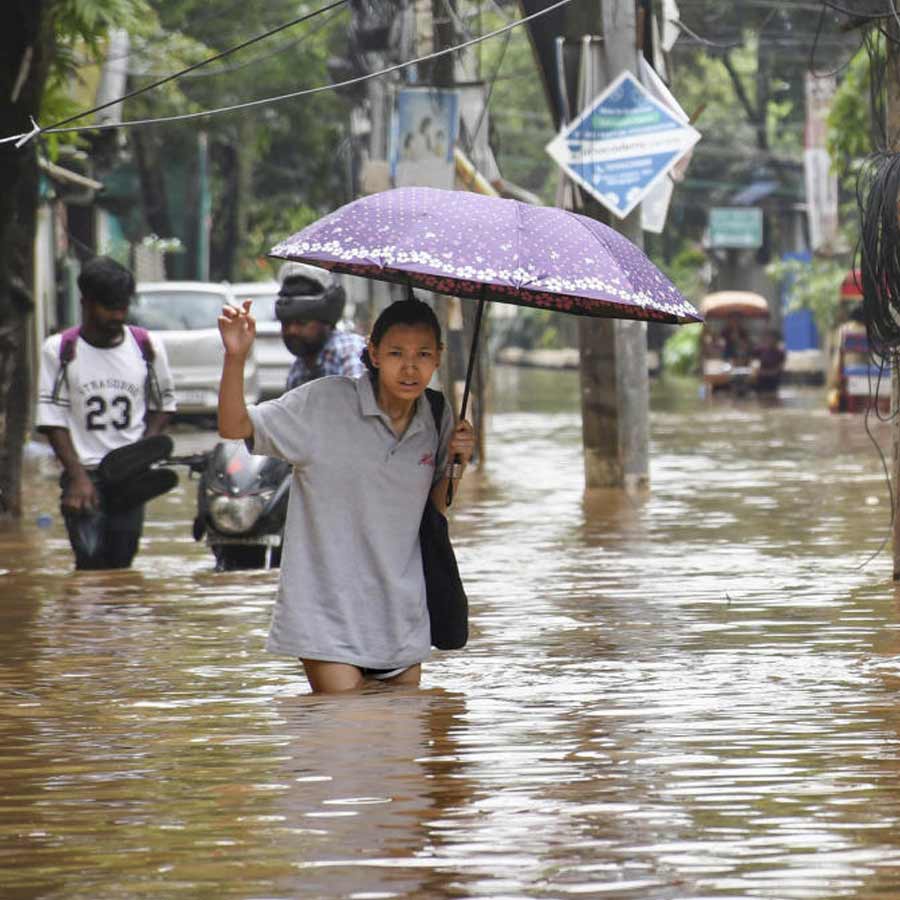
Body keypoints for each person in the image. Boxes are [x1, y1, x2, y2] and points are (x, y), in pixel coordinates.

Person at [217, 294, 475, 694]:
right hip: (327, 613)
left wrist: (458, 462)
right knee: (344, 730)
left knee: (400, 751)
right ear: (372, 351)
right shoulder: (321, 403)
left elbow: (433, 509)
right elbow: (235, 426)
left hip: (401, 616)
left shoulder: (437, 416)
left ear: (439, 357)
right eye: (395, 353)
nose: (410, 367)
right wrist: (235, 356)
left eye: (423, 354)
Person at [36, 256, 177, 569]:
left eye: (123, 306)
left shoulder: (147, 347)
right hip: (84, 474)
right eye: (110, 307)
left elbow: (163, 405)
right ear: (86, 303)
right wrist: (77, 478)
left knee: (122, 566)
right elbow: (52, 420)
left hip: (129, 478)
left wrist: (143, 452)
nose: (118, 314)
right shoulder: (60, 350)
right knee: (89, 567)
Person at [276, 262, 367, 390]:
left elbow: (361, 406)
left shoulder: (349, 352)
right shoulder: (298, 371)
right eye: (285, 323)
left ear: (326, 321)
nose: (292, 331)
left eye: (302, 322)